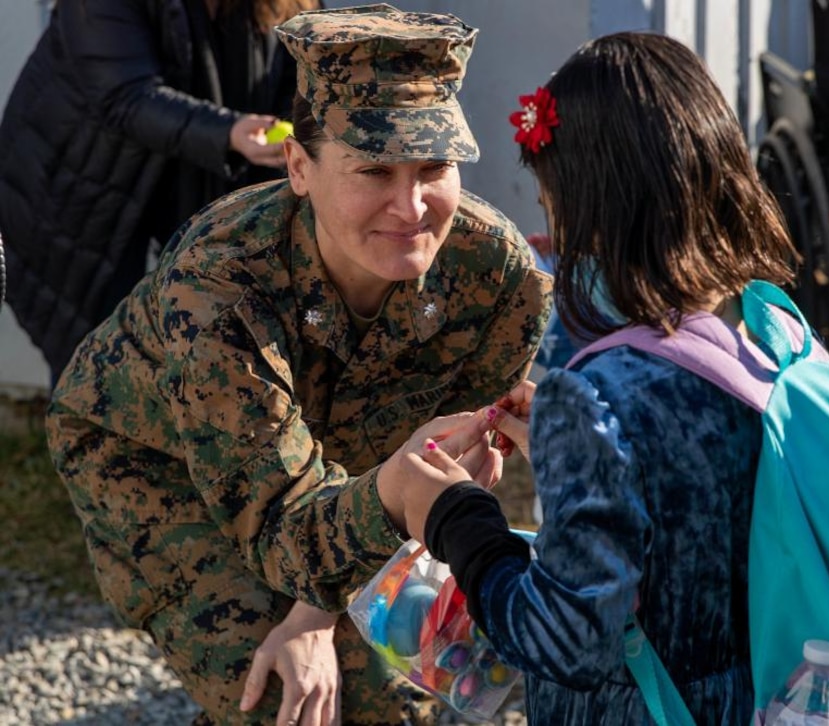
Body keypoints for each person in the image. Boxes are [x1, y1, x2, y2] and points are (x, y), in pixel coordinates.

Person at [44, 4, 552, 724]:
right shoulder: (220, 286)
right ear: (299, 168)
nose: (410, 207)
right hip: (157, 460)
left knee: (403, 708)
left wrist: (321, 607)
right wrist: (310, 615)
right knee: (286, 698)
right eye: (373, 169)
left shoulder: (500, 279)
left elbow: (426, 470)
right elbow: (282, 523)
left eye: (434, 167)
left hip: (336, 475)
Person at [390, 31, 797, 725]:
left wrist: (458, 523)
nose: (553, 243)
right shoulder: (769, 329)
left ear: (597, 210)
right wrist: (575, 455)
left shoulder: (598, 396)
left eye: (556, 215)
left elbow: (564, 641)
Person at [0, 0, 320, 384]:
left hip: (202, 186)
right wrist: (228, 132)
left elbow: (301, 77)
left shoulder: (290, 4)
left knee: (208, 355)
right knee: (92, 365)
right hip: (84, 195)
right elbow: (124, 96)